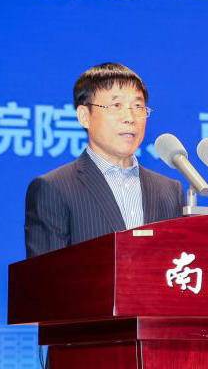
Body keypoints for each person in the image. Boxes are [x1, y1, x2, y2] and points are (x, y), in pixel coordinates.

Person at [24, 62, 184, 258]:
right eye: (116, 106)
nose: (130, 117)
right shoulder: (54, 188)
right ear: (84, 116)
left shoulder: (169, 191)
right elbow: (48, 274)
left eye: (138, 106)